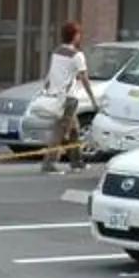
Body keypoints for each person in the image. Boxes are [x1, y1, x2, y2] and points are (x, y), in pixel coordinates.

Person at [38, 21, 96, 174]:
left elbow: (51, 74)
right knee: (60, 131)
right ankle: (49, 163)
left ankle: (76, 162)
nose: (80, 37)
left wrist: (46, 89)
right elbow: (84, 78)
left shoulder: (57, 51)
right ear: (75, 36)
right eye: (79, 34)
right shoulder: (77, 55)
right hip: (68, 98)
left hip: (57, 95)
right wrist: (93, 99)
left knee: (74, 130)